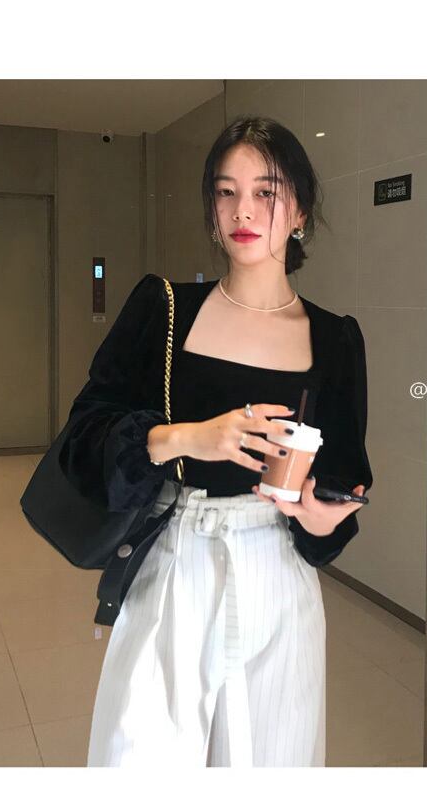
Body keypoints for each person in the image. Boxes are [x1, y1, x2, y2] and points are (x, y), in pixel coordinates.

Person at [58, 115, 373, 767]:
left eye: (266, 191)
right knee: (139, 760)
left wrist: (324, 517)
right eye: (226, 192)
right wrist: (186, 438)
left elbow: (343, 482)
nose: (243, 210)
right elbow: (82, 440)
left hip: (278, 578)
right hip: (176, 564)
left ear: (300, 212)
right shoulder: (165, 311)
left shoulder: (336, 339)